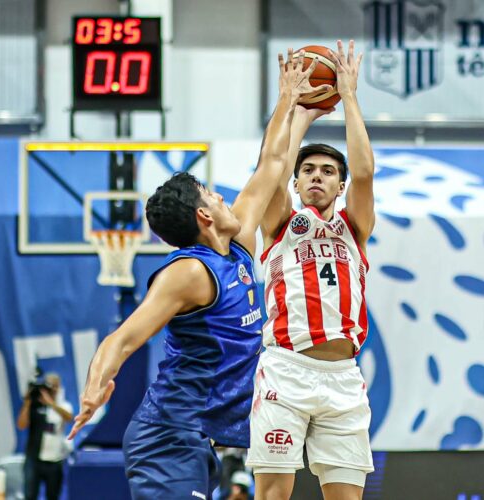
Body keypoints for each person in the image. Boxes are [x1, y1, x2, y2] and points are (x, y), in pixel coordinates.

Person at [68, 50, 332, 500]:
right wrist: (95, 390)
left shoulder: (239, 244)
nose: (224, 198)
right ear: (203, 215)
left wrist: (298, 106)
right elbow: (122, 339)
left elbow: (271, 165)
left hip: (197, 438)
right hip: (168, 436)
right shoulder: (190, 271)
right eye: (211, 194)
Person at [246, 40, 375, 500]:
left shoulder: (353, 227)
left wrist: (349, 95)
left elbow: (364, 173)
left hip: (343, 377)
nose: (317, 176)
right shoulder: (280, 222)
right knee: (272, 495)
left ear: (338, 185)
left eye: (327, 171)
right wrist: (290, 107)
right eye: (309, 171)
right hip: (287, 370)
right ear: (297, 183)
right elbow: (271, 167)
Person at [17, 373, 73, 500]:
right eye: (49, 385)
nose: (51, 389)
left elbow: (69, 417)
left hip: (55, 460)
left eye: (55, 386)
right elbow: (21, 425)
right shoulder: (34, 406)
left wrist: (51, 404)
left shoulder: (63, 406)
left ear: (59, 388)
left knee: (53, 496)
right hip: (34, 459)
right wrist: (27, 402)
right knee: (30, 496)